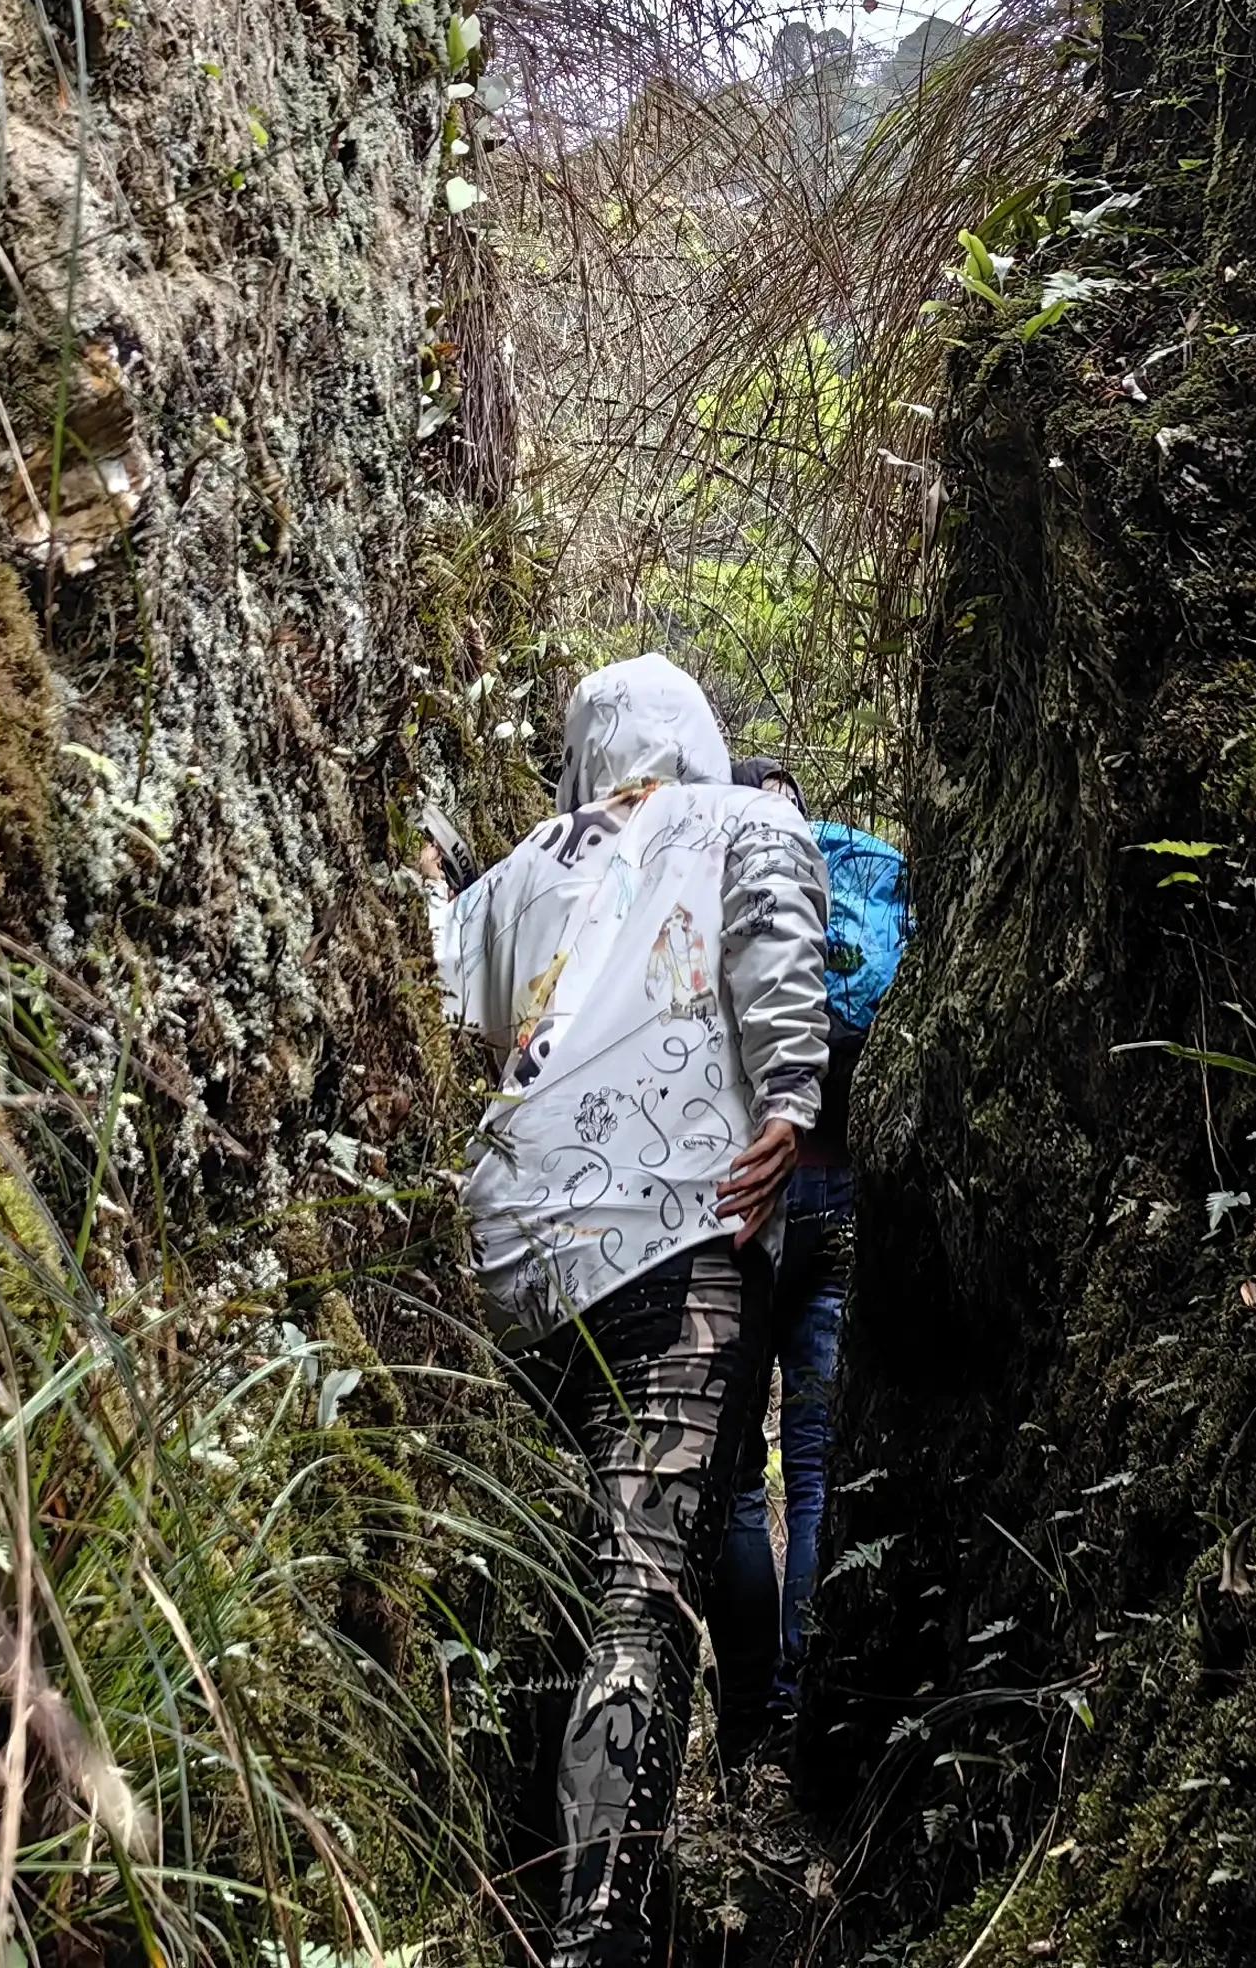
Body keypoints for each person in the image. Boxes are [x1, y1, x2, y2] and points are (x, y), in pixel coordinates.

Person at [436, 657, 830, 1968]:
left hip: (518, 1268)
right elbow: (778, 944)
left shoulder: (534, 859)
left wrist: (428, 852)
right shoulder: (746, 823)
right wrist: (790, 1101)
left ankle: (559, 1874)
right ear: (703, 737)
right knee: (640, 1592)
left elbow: (443, 982)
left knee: (566, 1564)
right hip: (678, 1235)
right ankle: (594, 1933)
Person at [708, 755, 904, 1777]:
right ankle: (802, 1701)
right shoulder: (856, 887)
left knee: (740, 1478)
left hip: (747, 1208)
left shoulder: (718, 881)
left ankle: (740, 1730)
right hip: (838, 1210)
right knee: (816, 1471)